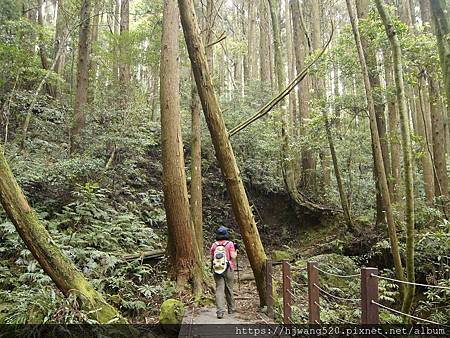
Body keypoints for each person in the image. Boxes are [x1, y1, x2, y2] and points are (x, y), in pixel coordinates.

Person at [210, 226, 237, 319]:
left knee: (219, 289)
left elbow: (212, 257)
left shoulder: (214, 245)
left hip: (217, 269)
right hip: (228, 268)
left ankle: (220, 311)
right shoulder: (229, 244)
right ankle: (231, 309)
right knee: (229, 289)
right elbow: (233, 256)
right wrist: (236, 251)